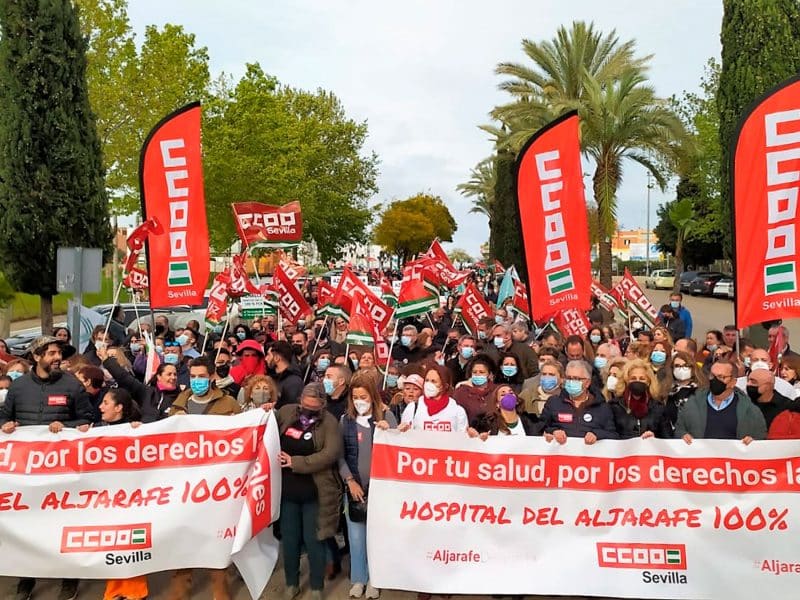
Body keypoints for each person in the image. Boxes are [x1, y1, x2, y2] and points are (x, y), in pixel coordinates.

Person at [0, 336, 92, 600]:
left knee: (64, 525)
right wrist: (7, 426)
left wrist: (68, 426)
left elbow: (88, 417)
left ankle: (69, 579)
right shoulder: (19, 389)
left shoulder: (71, 385)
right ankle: (26, 580)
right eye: (51, 353)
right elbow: (5, 416)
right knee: (28, 527)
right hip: (26, 473)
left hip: (63, 471)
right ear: (37, 356)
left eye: (59, 353)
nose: (57, 358)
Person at [167, 357, 240, 600]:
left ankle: (220, 592)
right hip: (183, 485)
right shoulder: (178, 406)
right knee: (182, 539)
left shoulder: (228, 404)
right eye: (193, 376)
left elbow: (243, 436)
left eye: (201, 376)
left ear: (212, 377)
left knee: (215, 541)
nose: (197, 381)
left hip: (216, 485)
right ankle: (180, 591)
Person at [276, 383, 343, 600]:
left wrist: (297, 462)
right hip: (287, 491)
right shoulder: (286, 412)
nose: (308, 410)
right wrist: (265, 410)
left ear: (322, 405)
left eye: (314, 408)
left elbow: (330, 454)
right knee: (290, 539)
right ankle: (291, 583)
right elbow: (266, 429)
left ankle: (316, 586)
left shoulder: (330, 422)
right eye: (305, 405)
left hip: (315, 491)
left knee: (314, 541)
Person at [339, 374, 397, 599]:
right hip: (355, 488)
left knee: (376, 537)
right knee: (356, 537)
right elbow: (340, 456)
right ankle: (358, 579)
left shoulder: (387, 416)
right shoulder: (346, 421)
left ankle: (376, 578)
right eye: (355, 397)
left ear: (372, 396)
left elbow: (396, 450)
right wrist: (350, 481)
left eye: (363, 397)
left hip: (380, 490)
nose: (359, 401)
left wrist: (388, 430)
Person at [92, 388, 147, 600]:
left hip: (132, 499)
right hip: (107, 500)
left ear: (119, 408)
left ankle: (136, 591)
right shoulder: (96, 431)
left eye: (105, 403)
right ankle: (114, 591)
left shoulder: (137, 431)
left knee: (132, 543)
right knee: (112, 544)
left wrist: (140, 432)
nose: (100, 407)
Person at [676, 360, 767, 444]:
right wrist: (683, 436)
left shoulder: (750, 411)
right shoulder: (692, 404)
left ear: (733, 382)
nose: (714, 380)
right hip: (701, 459)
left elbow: (760, 438)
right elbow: (679, 429)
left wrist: (753, 441)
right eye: (712, 375)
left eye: (721, 377)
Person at [540, 360, 618, 444]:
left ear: (587, 382)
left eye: (576, 379)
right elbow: (540, 428)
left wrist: (597, 434)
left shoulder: (602, 408)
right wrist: (553, 431)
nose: (571, 382)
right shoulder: (553, 402)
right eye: (569, 378)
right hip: (560, 454)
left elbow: (613, 435)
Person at [99, 345, 180, 421]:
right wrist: (107, 360)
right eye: (169, 374)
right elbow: (124, 377)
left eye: (175, 374)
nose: (173, 377)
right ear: (159, 376)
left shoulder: (181, 396)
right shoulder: (147, 392)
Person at [610, 359, 670, 439]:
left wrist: (655, 438)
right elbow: (610, 433)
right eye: (633, 378)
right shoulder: (615, 406)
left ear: (648, 382)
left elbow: (667, 437)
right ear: (627, 381)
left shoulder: (658, 407)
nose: (637, 381)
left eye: (642, 379)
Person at [399, 365, 467, 432]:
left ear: (445, 386)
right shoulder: (413, 408)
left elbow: (463, 439)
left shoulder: (458, 411)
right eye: (427, 380)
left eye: (433, 381)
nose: (429, 384)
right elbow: (405, 437)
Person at [469, 384, 539, 438]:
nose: (508, 396)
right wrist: (477, 437)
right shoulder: (487, 424)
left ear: (517, 401)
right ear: (497, 404)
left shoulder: (532, 421)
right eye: (503, 394)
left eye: (511, 393)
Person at [665, 351, 706, 436]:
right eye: (677, 366)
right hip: (670, 437)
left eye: (685, 365)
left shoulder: (702, 391)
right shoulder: (666, 391)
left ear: (692, 367)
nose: (681, 369)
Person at [453, 354, 497, 425]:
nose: (478, 374)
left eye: (481, 372)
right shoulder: (461, 392)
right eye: (474, 372)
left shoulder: (497, 391)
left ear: (489, 375)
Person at [268, 341, 305, 407]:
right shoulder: (271, 378)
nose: (266, 358)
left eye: (268, 355)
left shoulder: (294, 382)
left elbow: (292, 409)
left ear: (277, 358)